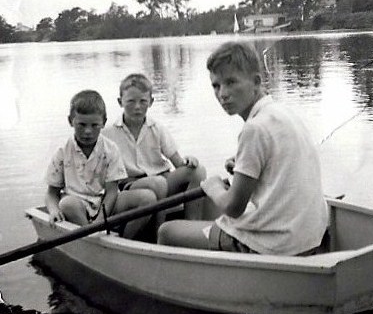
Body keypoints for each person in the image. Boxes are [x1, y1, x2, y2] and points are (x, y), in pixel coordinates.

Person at [157, 42, 328, 256]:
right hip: (310, 236)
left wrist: (213, 186)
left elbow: (233, 208)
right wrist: (241, 166)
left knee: (167, 231)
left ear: (256, 82)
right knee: (215, 216)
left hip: (276, 244)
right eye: (216, 85)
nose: (223, 94)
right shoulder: (283, 113)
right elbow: (276, 163)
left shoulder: (254, 128)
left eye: (231, 82)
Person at [45, 90, 157, 239]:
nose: (87, 131)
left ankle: (123, 240)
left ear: (103, 123)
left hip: (106, 204)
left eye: (94, 125)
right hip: (77, 207)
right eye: (82, 125)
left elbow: (111, 192)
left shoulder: (110, 149)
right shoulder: (62, 151)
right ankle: (90, 236)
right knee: (66, 204)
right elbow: (52, 192)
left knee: (148, 198)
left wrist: (99, 221)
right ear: (70, 121)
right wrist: (53, 210)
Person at [102, 73, 207, 220]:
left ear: (151, 102)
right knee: (157, 183)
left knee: (197, 170)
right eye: (131, 101)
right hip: (132, 185)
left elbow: (178, 162)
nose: (137, 107)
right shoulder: (108, 134)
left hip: (162, 180)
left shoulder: (157, 128)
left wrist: (188, 161)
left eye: (143, 101)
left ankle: (191, 223)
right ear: (120, 102)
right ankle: (159, 227)